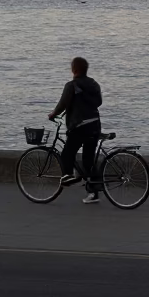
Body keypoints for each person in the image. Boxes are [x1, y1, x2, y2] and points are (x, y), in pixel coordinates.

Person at [49, 56, 103, 205]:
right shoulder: (94, 84)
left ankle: (69, 176)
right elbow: (99, 102)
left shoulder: (71, 85)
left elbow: (62, 104)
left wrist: (53, 114)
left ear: (74, 69)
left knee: (66, 154)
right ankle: (93, 193)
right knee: (88, 161)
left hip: (80, 126)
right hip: (95, 125)